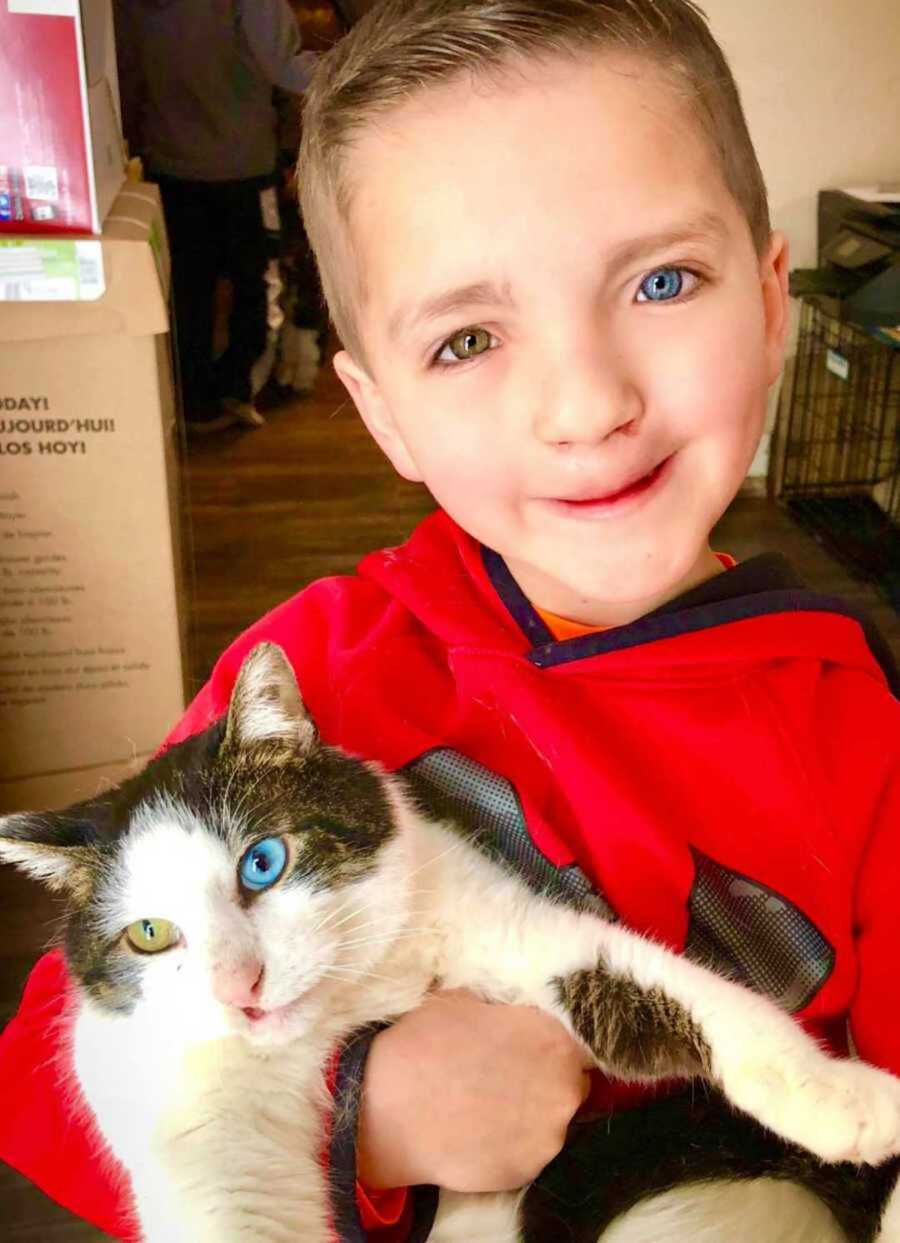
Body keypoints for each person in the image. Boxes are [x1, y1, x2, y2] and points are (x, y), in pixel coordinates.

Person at [2, 1, 899, 1240]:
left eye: (661, 280)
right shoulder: (311, 673)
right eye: (468, 338)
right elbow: (38, 1090)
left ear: (769, 298)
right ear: (381, 415)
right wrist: (361, 1113)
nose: (587, 403)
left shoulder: (862, 720)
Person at [113, 0, 318, 433]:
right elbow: (288, 68)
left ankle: (194, 397)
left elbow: (126, 77)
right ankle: (236, 389)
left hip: (168, 162)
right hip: (243, 165)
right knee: (258, 283)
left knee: (186, 289)